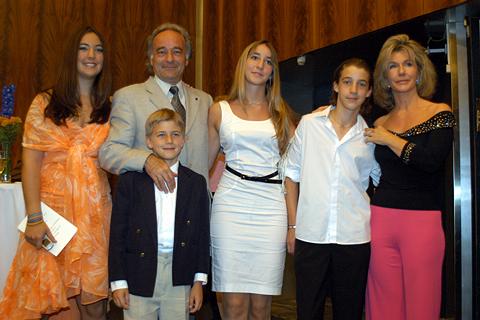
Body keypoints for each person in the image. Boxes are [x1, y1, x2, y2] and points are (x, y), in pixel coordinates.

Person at [0, 26, 112, 319]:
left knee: (95, 306)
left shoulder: (110, 108)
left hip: (95, 217)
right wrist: (34, 217)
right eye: (84, 48)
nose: (92, 55)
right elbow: (31, 162)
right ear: (71, 55)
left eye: (98, 49)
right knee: (54, 302)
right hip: (52, 217)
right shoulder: (45, 103)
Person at [364, 34, 455, 320]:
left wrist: (390, 140)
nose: (401, 71)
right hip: (380, 219)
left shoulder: (439, 113)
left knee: (422, 307)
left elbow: (430, 162)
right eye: (393, 66)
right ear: (385, 77)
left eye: (408, 64)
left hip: (423, 221)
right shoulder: (379, 122)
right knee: (382, 307)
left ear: (419, 72)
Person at [284, 58, 381, 320]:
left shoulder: (371, 137)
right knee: (308, 312)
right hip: (310, 235)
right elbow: (290, 175)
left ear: (369, 91)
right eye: (347, 82)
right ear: (336, 85)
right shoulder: (309, 124)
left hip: (354, 238)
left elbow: (383, 182)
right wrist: (292, 226)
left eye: (361, 84)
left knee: (349, 312)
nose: (353, 90)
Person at [208, 40, 296, 319]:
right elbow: (202, 167)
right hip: (230, 207)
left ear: (273, 72)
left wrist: (293, 224)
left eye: (268, 61)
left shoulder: (281, 113)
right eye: (254, 57)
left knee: (261, 307)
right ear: (243, 63)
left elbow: (296, 167)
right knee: (233, 305)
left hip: (271, 210)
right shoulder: (219, 109)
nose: (260, 65)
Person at [109, 108, 210, 320]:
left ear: (184, 140)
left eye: (176, 134)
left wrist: (198, 282)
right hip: (139, 271)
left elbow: (202, 236)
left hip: (180, 272)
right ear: (149, 142)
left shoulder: (196, 183)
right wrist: (118, 282)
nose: (169, 140)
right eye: (161, 134)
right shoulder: (130, 182)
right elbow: (117, 234)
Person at [99, 22, 213, 191]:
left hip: (196, 205)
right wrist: (147, 160)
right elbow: (109, 153)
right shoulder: (128, 97)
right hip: (150, 205)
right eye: (161, 52)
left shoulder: (205, 101)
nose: (170, 59)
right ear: (151, 58)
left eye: (177, 51)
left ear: (187, 58)